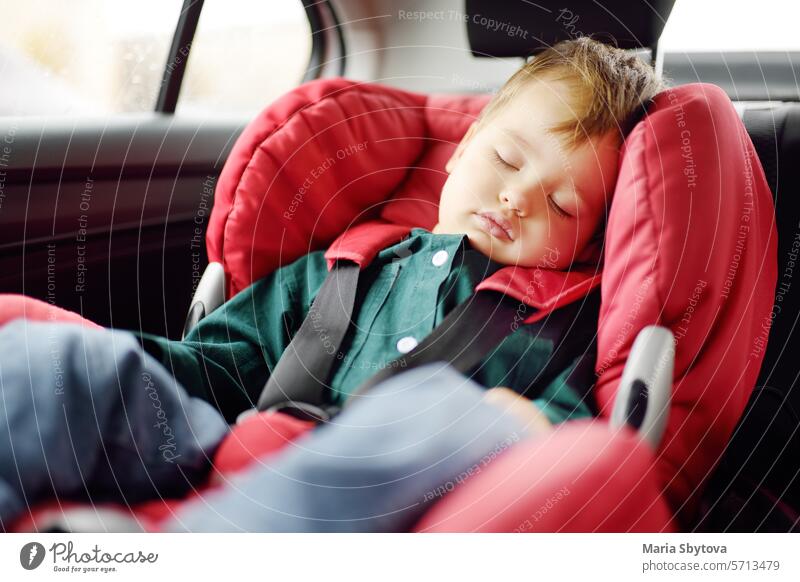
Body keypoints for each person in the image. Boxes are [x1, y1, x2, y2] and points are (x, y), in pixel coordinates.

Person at [0, 37, 664, 530]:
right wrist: (138, 371)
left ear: (588, 242)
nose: (518, 196)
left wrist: (529, 420)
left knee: (441, 413)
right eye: (506, 159)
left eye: (564, 205)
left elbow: (569, 434)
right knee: (72, 364)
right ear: (462, 150)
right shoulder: (343, 264)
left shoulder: (559, 323)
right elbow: (214, 366)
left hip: (366, 490)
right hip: (228, 444)